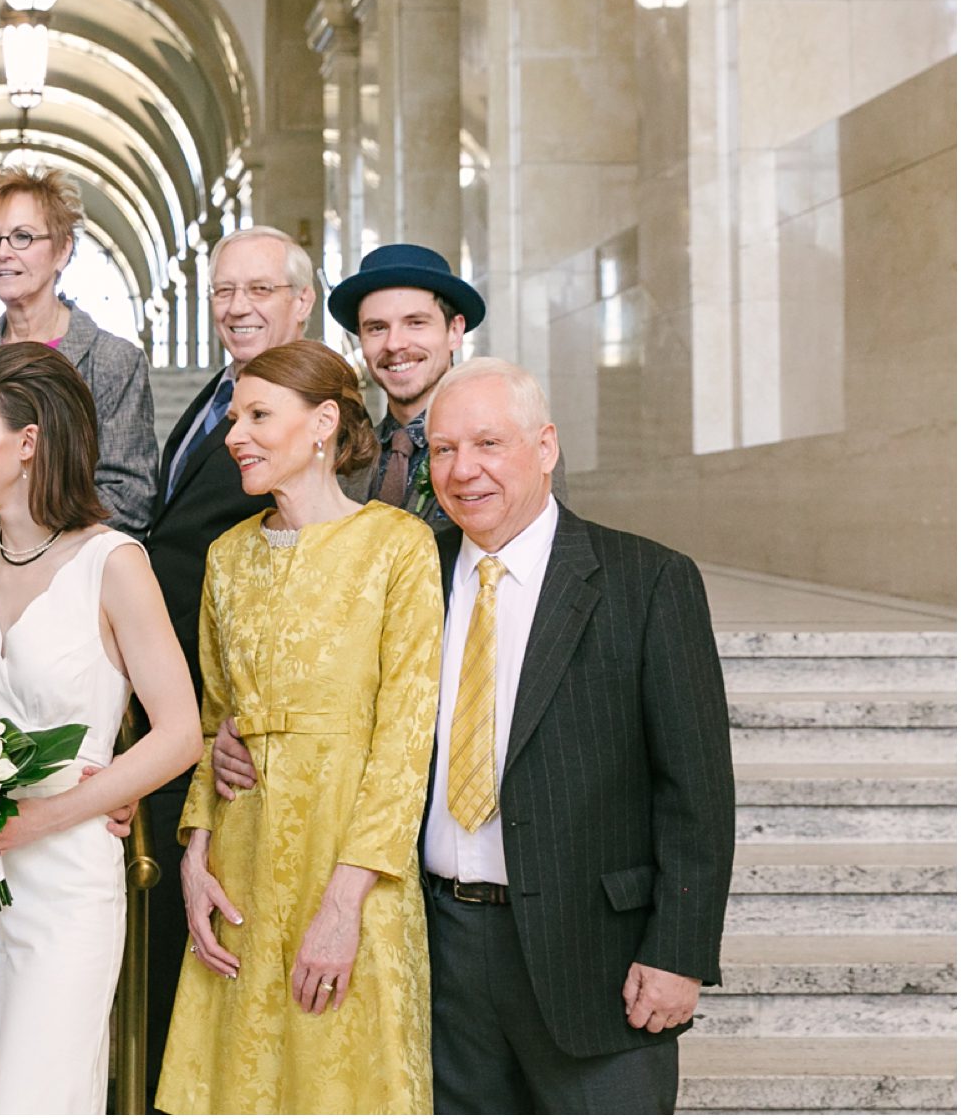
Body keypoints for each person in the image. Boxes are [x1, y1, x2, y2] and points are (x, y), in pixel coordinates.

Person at [214, 358, 736, 1113]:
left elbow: (697, 790)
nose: (464, 471)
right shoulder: (411, 563)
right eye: (445, 449)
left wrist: (678, 953)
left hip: (595, 958)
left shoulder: (645, 580)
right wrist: (237, 735)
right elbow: (338, 700)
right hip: (443, 946)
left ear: (546, 446)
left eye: (489, 444)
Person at [156, 340, 444, 1115]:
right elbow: (214, 718)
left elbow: (405, 740)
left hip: (351, 864)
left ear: (321, 422)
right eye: (233, 415)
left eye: (257, 415)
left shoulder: (398, 545)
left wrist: (346, 903)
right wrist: (195, 853)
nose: (234, 434)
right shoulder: (226, 555)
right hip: (241, 871)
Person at [0, 341, 200, 1114]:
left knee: (36, 1095)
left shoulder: (114, 564)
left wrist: (45, 815)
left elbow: (179, 734)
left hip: (66, 876)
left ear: (29, 440)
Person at [138, 225, 316, 1103]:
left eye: (259, 290)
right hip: (187, 692)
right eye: (223, 292)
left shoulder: (313, 411)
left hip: (246, 732)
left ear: (302, 303)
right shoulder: (223, 393)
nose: (238, 307)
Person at [0, 165, 158, 534]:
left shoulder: (114, 361)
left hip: (74, 572)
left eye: (22, 237)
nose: (3, 252)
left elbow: (128, 498)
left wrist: (28, 542)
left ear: (63, 249)